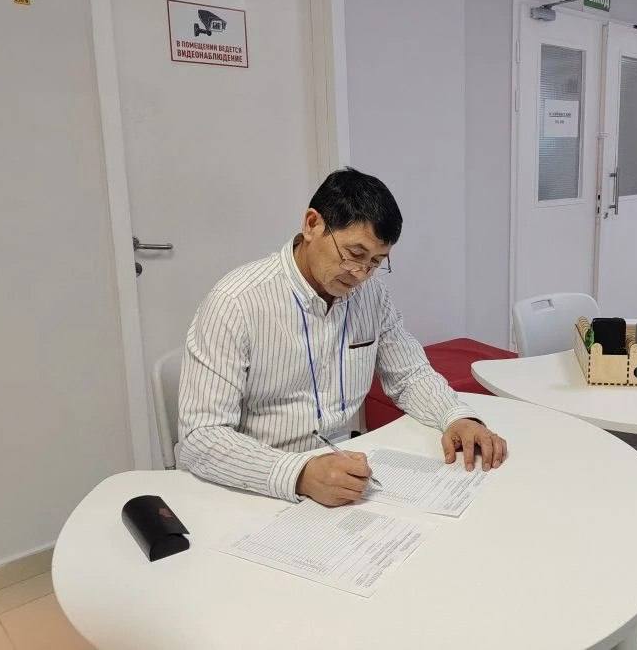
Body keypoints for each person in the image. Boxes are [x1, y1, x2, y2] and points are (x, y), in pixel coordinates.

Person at [176, 168, 507, 507]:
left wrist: (456, 417)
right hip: (258, 484)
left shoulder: (372, 295)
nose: (361, 274)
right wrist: (300, 474)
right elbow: (201, 437)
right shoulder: (236, 302)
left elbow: (410, 375)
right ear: (312, 225)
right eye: (355, 254)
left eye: (376, 262)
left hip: (346, 468)